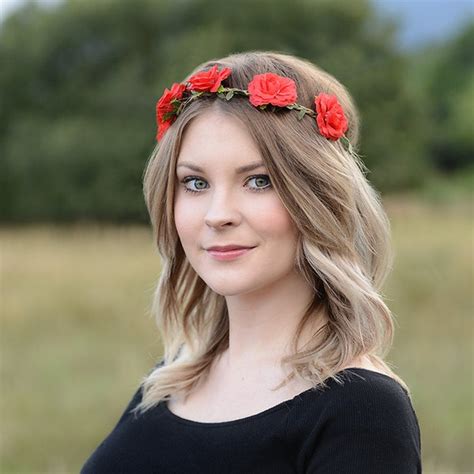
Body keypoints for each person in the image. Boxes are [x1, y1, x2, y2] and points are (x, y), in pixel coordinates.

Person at [81, 50, 422, 473]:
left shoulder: (360, 409)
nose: (217, 213)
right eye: (195, 182)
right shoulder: (171, 379)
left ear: (317, 196)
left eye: (258, 181)